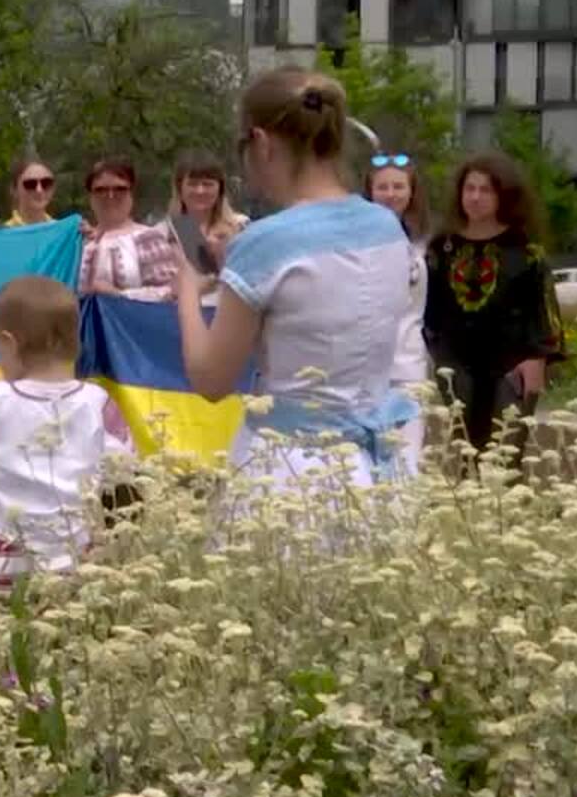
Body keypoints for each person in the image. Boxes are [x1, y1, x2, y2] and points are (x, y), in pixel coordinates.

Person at [175, 69, 416, 489]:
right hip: (381, 466)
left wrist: (187, 292)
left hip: (288, 468)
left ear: (261, 142)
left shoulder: (264, 244)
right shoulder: (388, 227)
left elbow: (211, 380)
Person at [0, 277, 132, 586]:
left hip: (5, 558)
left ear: (10, 343)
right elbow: (123, 463)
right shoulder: (97, 402)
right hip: (78, 559)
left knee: (4, 617)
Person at [424, 151, 563, 461]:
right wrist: (438, 356)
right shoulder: (442, 247)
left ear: (504, 195)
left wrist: (537, 360)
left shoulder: (526, 251)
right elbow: (429, 311)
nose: (475, 197)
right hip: (457, 364)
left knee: (505, 458)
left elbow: (544, 312)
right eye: (470, 188)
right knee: (466, 456)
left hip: (512, 366)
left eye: (485, 190)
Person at [365, 152, 431, 471]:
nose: (390, 194)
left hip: (408, 366)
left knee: (406, 458)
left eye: (398, 187)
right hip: (364, 367)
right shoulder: (355, 242)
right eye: (382, 187)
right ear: (369, 192)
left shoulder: (423, 243)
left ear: (411, 192)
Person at [78, 158, 175, 302]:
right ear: (90, 196)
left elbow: (170, 292)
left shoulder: (147, 237)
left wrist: (118, 295)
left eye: (120, 189)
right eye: (101, 190)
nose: (110, 196)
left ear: (131, 194)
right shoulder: (79, 241)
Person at [169, 150, 250, 263]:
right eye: (192, 184)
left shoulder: (241, 227)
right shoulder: (166, 233)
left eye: (208, 184)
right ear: (179, 188)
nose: (200, 191)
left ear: (220, 189)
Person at [5, 159, 57, 227]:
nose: (39, 190)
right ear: (14, 190)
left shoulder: (62, 229)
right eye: (30, 184)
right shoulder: (4, 231)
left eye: (46, 183)